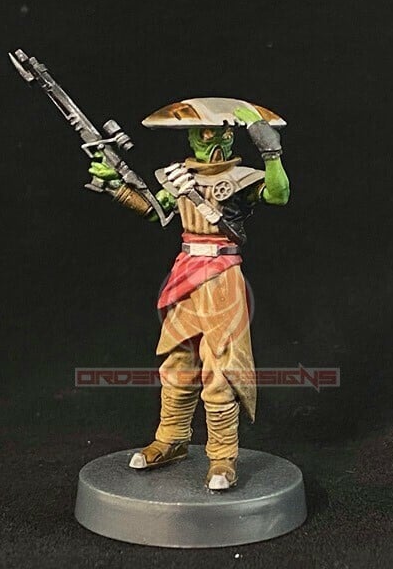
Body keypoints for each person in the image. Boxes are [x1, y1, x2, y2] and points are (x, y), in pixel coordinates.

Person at [90, 98, 289, 490]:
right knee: (178, 362)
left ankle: (222, 458)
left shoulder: (242, 178)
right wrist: (115, 186)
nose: (213, 139)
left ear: (231, 137)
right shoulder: (177, 177)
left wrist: (271, 153)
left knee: (221, 368)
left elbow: (278, 194)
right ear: (193, 136)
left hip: (222, 276)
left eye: (222, 133)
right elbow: (155, 211)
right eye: (205, 132)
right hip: (186, 273)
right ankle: (172, 439)